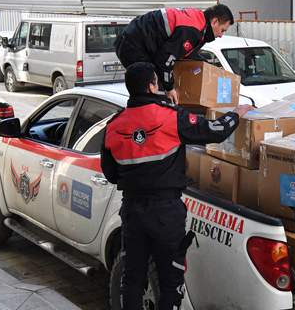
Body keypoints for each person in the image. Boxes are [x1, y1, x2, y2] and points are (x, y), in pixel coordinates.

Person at [101, 62, 253, 309]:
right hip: (165, 213)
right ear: (152, 86)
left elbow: (110, 173)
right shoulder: (171, 118)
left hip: (132, 212)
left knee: (132, 279)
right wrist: (237, 112)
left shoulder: (113, 125)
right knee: (170, 283)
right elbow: (215, 131)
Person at [114, 4, 234, 105]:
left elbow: (187, 54)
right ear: (214, 21)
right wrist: (169, 88)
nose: (221, 36)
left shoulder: (198, 21)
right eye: (223, 30)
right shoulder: (193, 30)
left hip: (134, 41)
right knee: (154, 93)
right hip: (133, 45)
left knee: (154, 92)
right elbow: (165, 60)